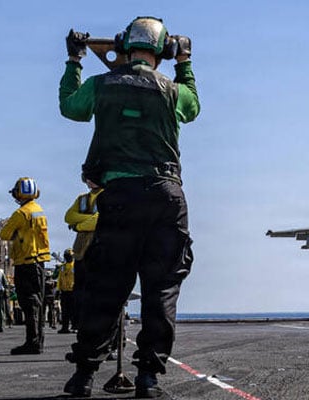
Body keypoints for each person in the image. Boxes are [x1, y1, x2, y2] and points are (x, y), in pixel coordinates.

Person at [59, 16, 199, 398]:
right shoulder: (172, 90)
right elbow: (193, 108)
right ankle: (148, 380)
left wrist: (75, 61)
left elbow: (71, 108)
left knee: (106, 287)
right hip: (166, 196)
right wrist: (185, 63)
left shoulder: (100, 85)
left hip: (119, 197)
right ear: (163, 51)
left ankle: (83, 376)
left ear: (124, 44)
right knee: (162, 289)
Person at [0, 177, 51, 355]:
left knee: (29, 304)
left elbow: (4, 234)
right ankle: (38, 342)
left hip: (25, 263)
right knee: (38, 304)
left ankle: (32, 343)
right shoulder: (39, 210)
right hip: (39, 263)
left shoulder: (21, 213)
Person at [64, 179, 103, 331]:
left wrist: (78, 225)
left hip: (99, 249)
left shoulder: (108, 196)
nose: (90, 180)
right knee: (80, 291)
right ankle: (81, 324)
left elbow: (100, 219)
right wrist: (89, 221)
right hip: (81, 251)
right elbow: (68, 217)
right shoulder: (82, 199)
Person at [56, 249, 75, 334]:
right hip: (64, 291)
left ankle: (75, 326)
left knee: (73, 310)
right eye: (66, 256)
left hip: (73, 291)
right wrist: (58, 289)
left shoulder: (75, 266)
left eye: (69, 256)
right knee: (65, 311)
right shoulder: (62, 267)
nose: (68, 257)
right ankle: (65, 327)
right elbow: (59, 278)